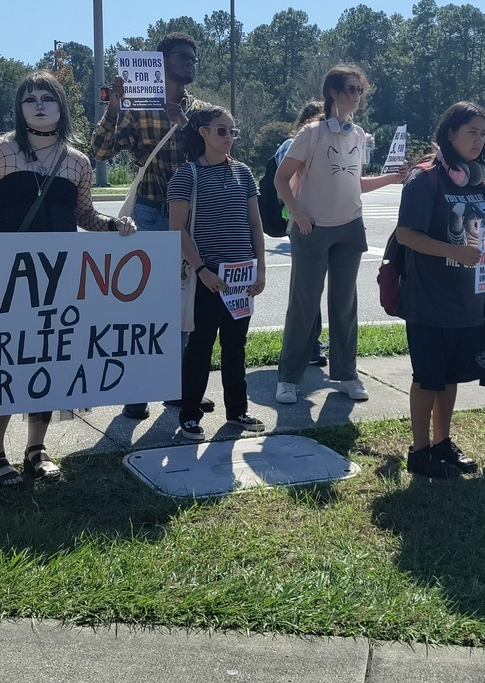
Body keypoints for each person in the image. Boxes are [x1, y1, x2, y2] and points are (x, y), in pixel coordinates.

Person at [0, 72, 136, 487]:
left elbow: (85, 216)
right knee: (7, 361)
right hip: (10, 277)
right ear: (19, 108)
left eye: (48, 98)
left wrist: (116, 226)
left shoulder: (78, 161)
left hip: (59, 277)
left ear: (61, 107)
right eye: (30, 99)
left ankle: (36, 450)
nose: (39, 105)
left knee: (48, 359)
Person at [91, 32, 210, 420]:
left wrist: (187, 126)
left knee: (184, 305)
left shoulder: (202, 112)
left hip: (194, 218)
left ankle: (173, 387)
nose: (189, 61)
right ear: (161, 62)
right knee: (145, 306)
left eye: (193, 57)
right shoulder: (139, 109)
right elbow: (100, 151)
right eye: (181, 56)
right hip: (152, 215)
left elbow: (218, 154)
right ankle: (138, 392)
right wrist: (114, 108)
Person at [273, 65, 406, 404]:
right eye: (350, 89)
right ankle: (288, 378)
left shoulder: (358, 134)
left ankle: (347, 374)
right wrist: (298, 214)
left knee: (345, 304)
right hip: (312, 227)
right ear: (332, 92)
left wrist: (392, 179)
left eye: (360, 90)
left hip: (350, 226)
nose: (356, 95)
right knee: (304, 304)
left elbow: (354, 182)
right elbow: (281, 178)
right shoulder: (311, 133)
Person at [398, 102, 485, 478]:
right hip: (429, 299)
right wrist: (454, 252)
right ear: (450, 133)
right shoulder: (424, 179)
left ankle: (442, 443)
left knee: (450, 376)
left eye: (483, 134)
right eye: (471, 132)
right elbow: (406, 235)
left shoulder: (477, 180)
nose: (478, 140)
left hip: (467, 299)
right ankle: (419, 452)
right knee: (427, 378)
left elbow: (482, 233)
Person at [168, 105, 267, 439]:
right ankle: (189, 414)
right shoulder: (187, 174)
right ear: (204, 133)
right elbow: (177, 229)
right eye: (222, 130)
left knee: (235, 346)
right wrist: (202, 271)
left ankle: (237, 410)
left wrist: (260, 269)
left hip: (242, 277)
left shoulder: (244, 172)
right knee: (200, 346)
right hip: (208, 276)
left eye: (232, 131)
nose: (229, 137)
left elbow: (255, 224)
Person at [275, 100, 328, 367]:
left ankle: (311, 343)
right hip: (305, 221)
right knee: (308, 289)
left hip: (315, 220)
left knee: (311, 287)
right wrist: (299, 216)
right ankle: (310, 346)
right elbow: (285, 181)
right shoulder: (293, 144)